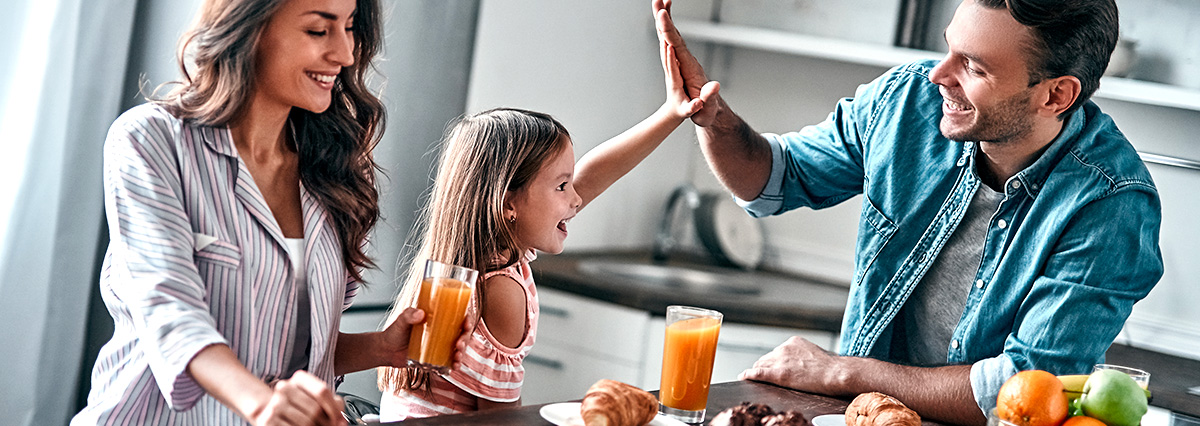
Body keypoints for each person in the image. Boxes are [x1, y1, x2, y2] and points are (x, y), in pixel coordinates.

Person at [653, 0, 1162, 424]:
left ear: (1056, 94)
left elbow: (1018, 390)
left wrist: (840, 371)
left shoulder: (1112, 204)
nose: (940, 75)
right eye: (949, 48)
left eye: (975, 67)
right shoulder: (906, 99)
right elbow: (774, 178)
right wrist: (714, 120)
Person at [73, 0, 425, 424]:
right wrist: (261, 404)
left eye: (350, 28)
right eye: (319, 31)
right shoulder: (152, 141)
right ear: (249, 28)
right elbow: (170, 312)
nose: (346, 54)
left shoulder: (339, 174)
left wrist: (382, 348)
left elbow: (292, 349)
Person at [375, 45, 717, 420]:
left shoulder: (481, 255)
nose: (576, 198)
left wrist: (670, 114)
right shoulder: (502, 289)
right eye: (561, 186)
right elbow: (501, 420)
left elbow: (598, 172)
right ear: (508, 204)